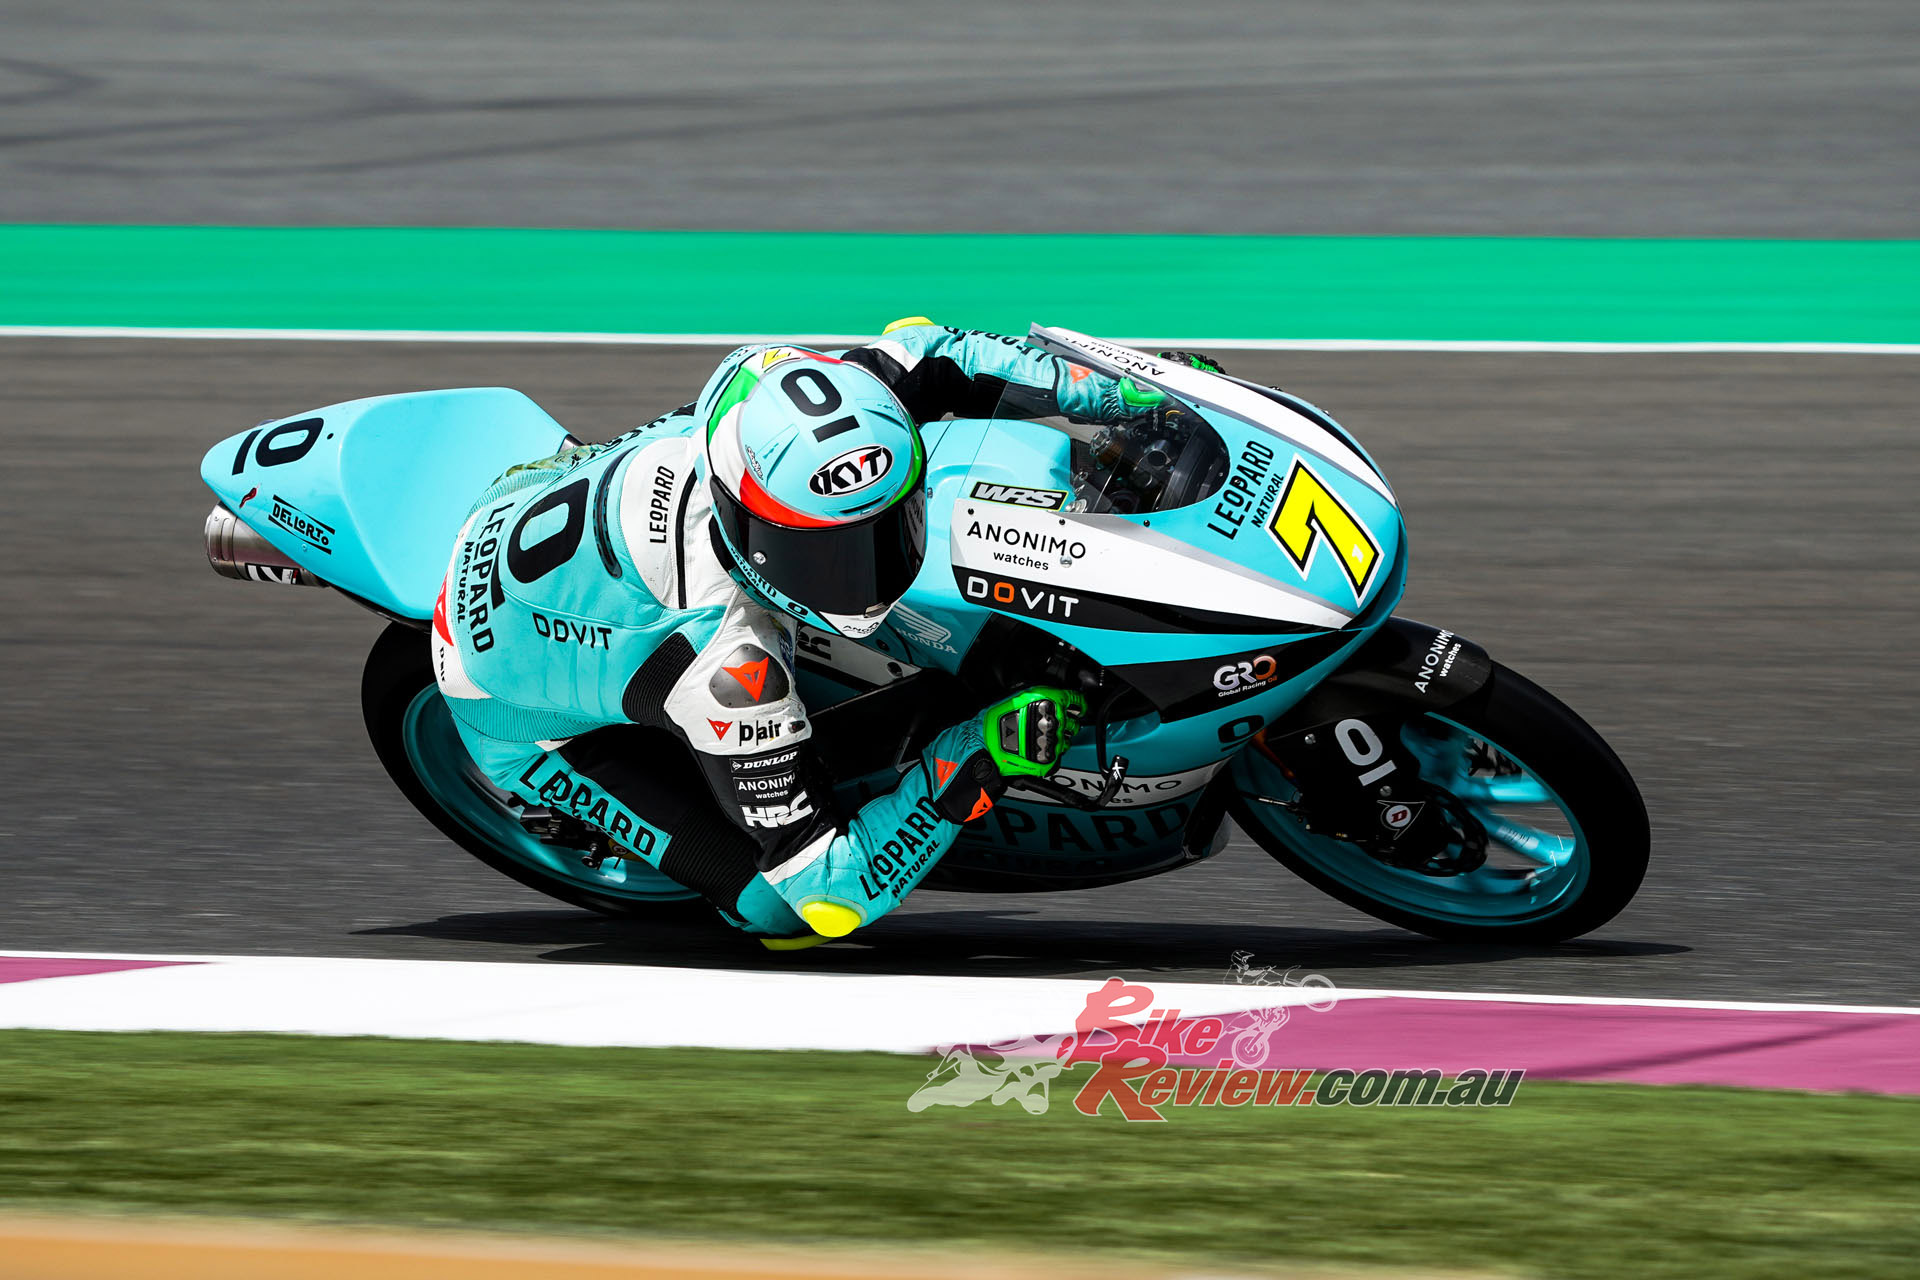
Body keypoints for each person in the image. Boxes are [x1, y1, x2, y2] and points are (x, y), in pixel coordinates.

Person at [429, 319, 1165, 948]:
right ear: (749, 527)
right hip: (505, 697)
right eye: (828, 558)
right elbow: (831, 891)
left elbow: (933, 350)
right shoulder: (726, 665)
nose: (866, 577)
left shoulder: (777, 401)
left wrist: (1117, 392)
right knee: (776, 914)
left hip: (533, 499)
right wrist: (979, 755)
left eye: (883, 534)